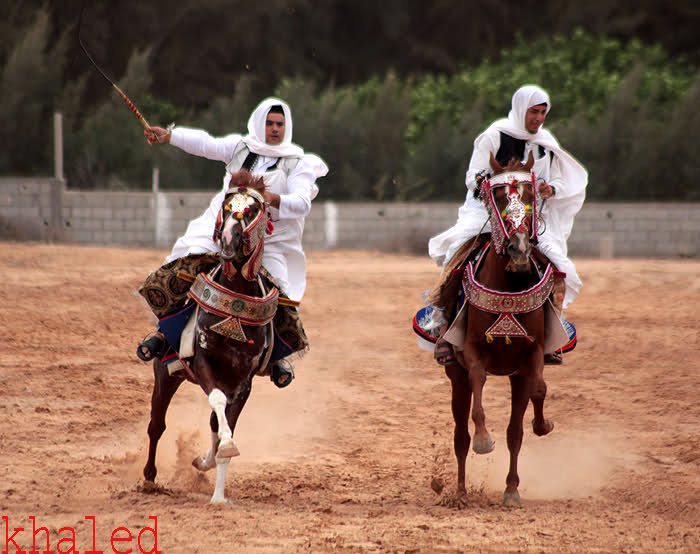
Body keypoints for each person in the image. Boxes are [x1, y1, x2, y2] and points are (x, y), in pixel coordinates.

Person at [137, 97, 328, 387]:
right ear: (259, 122)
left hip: (270, 240)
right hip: (224, 228)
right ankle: (164, 333)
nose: (274, 129)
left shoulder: (297, 163)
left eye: (280, 124)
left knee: (281, 295)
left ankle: (275, 359)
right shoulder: (241, 146)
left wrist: (270, 198)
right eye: (269, 122)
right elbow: (205, 143)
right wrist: (170, 135)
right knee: (184, 265)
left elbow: (302, 202)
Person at [427, 84, 587, 365]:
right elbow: (473, 176)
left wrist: (551, 189)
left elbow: (562, 180)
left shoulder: (546, 142)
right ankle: (442, 330)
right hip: (487, 213)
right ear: (520, 109)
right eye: (533, 112)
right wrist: (496, 186)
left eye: (543, 113)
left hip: (529, 218)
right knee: (456, 255)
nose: (538, 118)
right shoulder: (493, 135)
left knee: (563, 268)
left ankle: (550, 338)